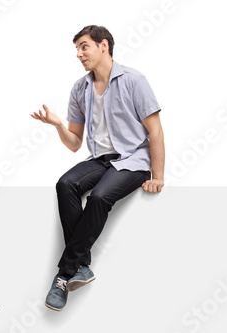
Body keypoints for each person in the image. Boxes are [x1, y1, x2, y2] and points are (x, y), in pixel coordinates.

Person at [31, 25, 165, 311]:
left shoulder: (134, 80)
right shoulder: (80, 88)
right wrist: (57, 125)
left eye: (84, 46)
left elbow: (155, 131)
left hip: (133, 160)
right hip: (101, 159)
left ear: (103, 46)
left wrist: (158, 176)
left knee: (100, 197)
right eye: (77, 49)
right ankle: (82, 266)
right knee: (66, 184)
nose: (79, 54)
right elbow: (74, 143)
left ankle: (65, 274)